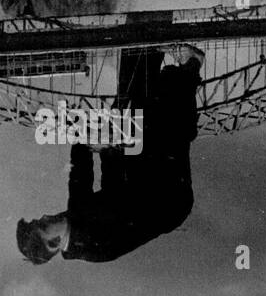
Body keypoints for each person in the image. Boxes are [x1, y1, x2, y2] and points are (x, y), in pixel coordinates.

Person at [16, 44, 201, 264]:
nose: (46, 216)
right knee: (155, 126)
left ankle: (144, 49)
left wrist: (83, 140)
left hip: (142, 186)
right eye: (44, 225)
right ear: (55, 243)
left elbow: (80, 175)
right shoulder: (96, 246)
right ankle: (191, 64)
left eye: (40, 219)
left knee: (127, 115)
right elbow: (120, 192)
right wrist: (109, 148)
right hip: (165, 199)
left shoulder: (74, 218)